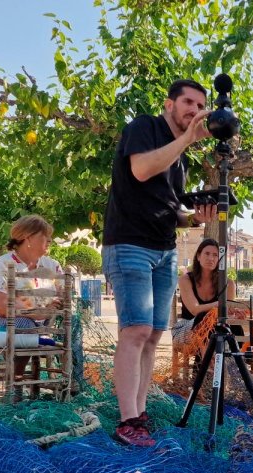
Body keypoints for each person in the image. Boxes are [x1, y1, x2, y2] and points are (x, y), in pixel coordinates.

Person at [103, 79, 217, 447]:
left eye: (201, 105)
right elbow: (139, 170)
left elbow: (172, 211)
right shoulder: (144, 128)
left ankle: (138, 415)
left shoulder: (180, 158)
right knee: (135, 331)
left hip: (165, 250)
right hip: (129, 244)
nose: (195, 111)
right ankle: (127, 421)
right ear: (169, 104)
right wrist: (186, 140)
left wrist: (195, 219)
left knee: (153, 335)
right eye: (188, 102)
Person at [0, 214, 65, 381]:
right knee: (25, 324)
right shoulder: (3, 265)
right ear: (28, 238)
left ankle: (70, 381)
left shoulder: (52, 266)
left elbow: (66, 297)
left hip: (38, 326)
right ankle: (16, 381)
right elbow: (1, 308)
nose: (49, 240)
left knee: (72, 322)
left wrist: (56, 304)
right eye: (45, 236)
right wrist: (37, 313)